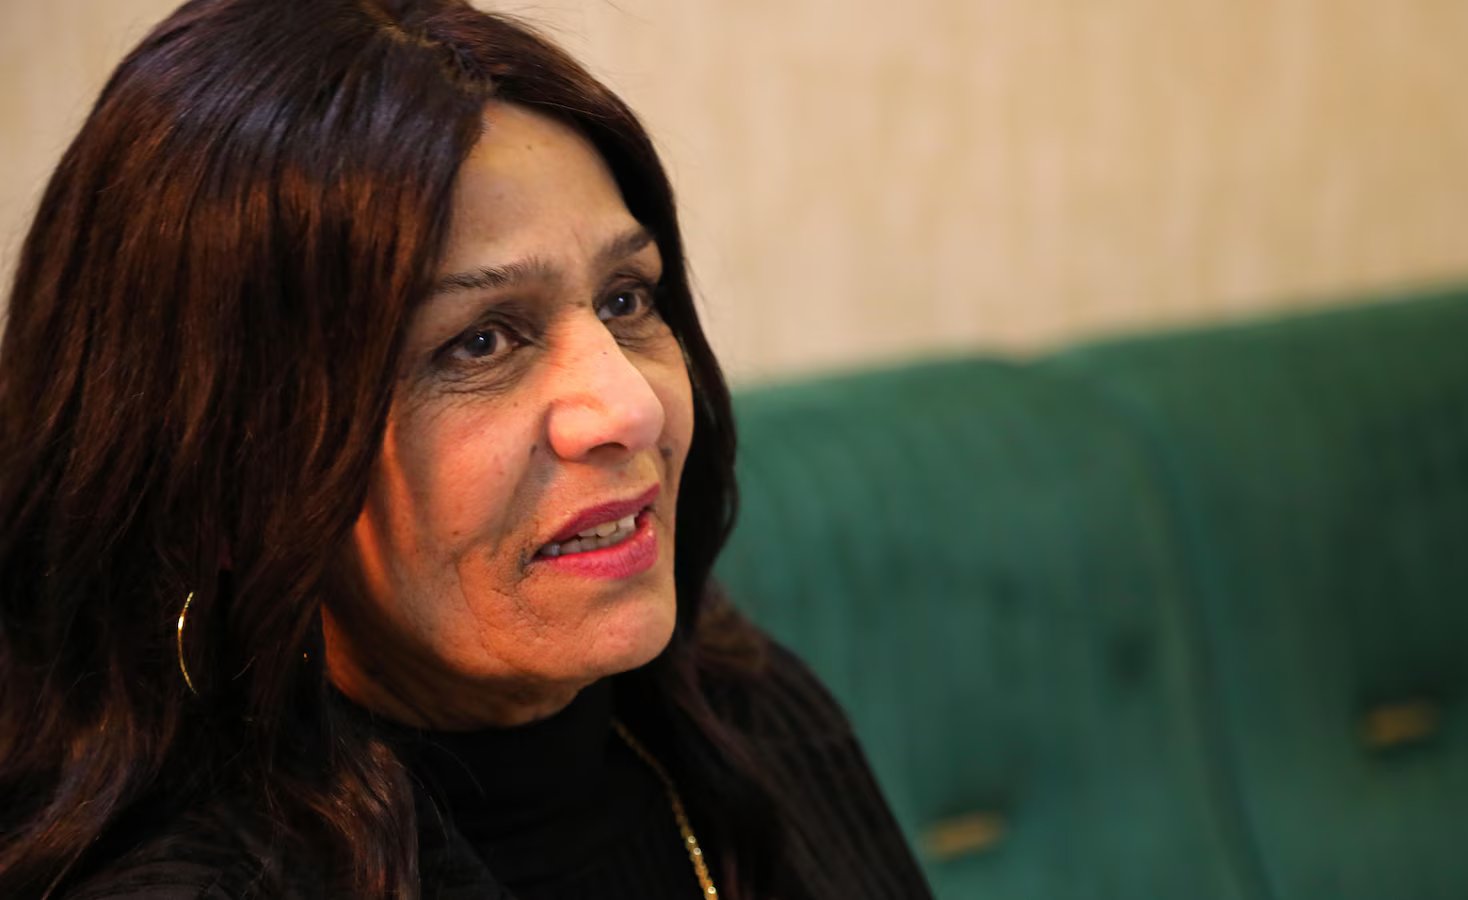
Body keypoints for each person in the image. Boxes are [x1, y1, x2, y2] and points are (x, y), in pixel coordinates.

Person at [0, 1, 933, 897]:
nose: (631, 407)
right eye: (480, 342)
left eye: (625, 300)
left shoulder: (740, 706)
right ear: (226, 463)